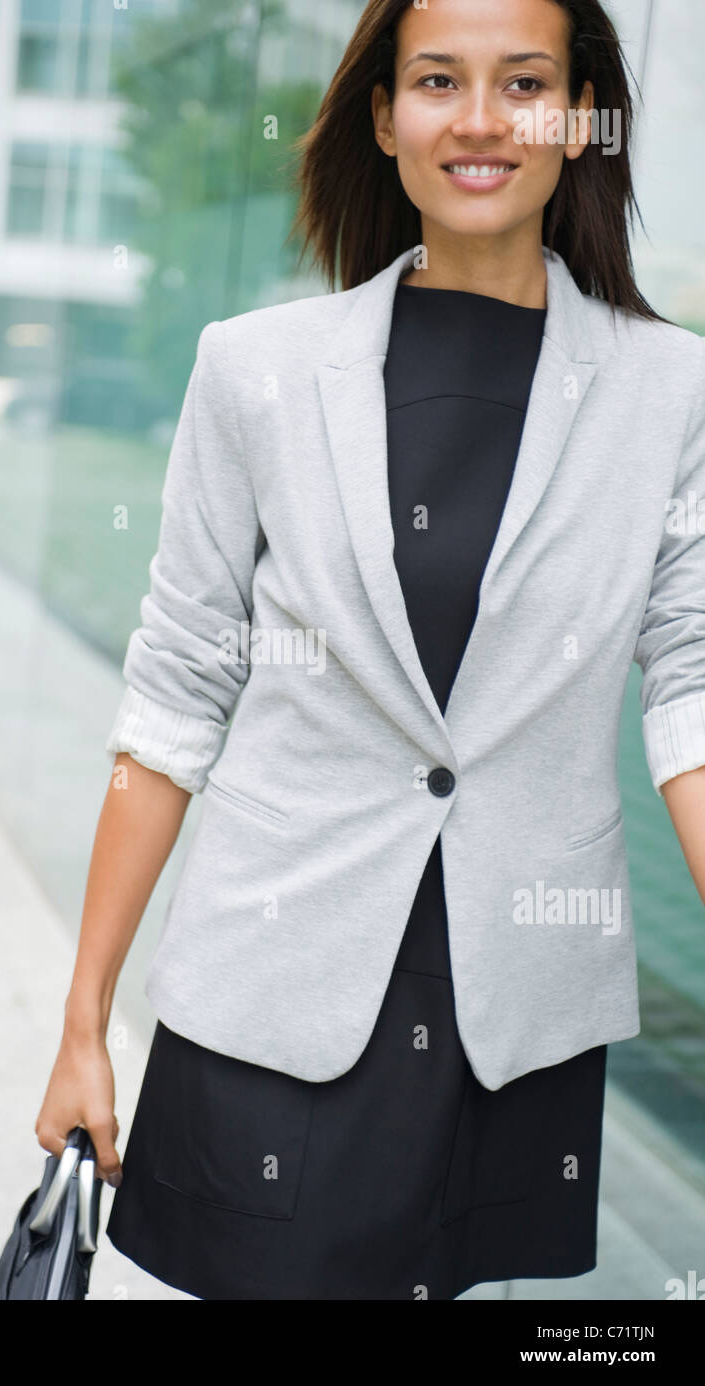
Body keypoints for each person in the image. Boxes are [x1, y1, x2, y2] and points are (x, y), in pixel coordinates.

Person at [35, 0, 705, 1300]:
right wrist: (82, 1021)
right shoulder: (255, 373)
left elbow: (691, 687)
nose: (478, 120)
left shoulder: (673, 395)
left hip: (513, 1021)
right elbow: (174, 696)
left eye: (523, 84)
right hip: (269, 1002)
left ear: (579, 118)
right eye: (438, 81)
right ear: (386, 116)